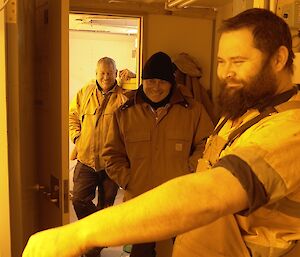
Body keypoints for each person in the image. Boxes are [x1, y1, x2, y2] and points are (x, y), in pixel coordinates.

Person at [22, 8, 300, 257]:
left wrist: (78, 234)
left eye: (238, 61)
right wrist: (130, 179)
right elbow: (115, 152)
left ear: (278, 59)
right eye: (221, 61)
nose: (225, 73)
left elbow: (209, 196)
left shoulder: (289, 129)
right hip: (158, 209)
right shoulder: (241, 111)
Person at [102, 51, 214, 257]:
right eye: (150, 81)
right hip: (140, 200)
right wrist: (129, 180)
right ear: (142, 82)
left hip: (180, 199)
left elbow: (208, 145)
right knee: (141, 252)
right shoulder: (123, 114)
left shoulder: (193, 111)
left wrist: (188, 173)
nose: (156, 87)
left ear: (171, 83)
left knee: (188, 250)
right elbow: (111, 155)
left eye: (162, 81)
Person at [69, 57, 132, 257]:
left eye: (109, 73)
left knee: (107, 204)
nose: (105, 77)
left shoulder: (124, 96)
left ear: (116, 73)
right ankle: (99, 229)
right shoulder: (84, 93)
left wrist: (133, 76)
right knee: (79, 199)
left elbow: (143, 96)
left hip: (111, 164)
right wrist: (77, 139)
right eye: (102, 73)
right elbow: (72, 117)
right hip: (86, 160)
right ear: (96, 74)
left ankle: (92, 249)